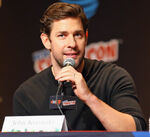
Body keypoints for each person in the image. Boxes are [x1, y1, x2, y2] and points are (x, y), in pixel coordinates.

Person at [13, 2, 147, 131]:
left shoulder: (113, 78)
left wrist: (89, 97)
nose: (72, 43)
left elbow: (134, 130)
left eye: (78, 35)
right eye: (62, 36)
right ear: (46, 41)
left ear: (86, 37)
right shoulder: (27, 94)